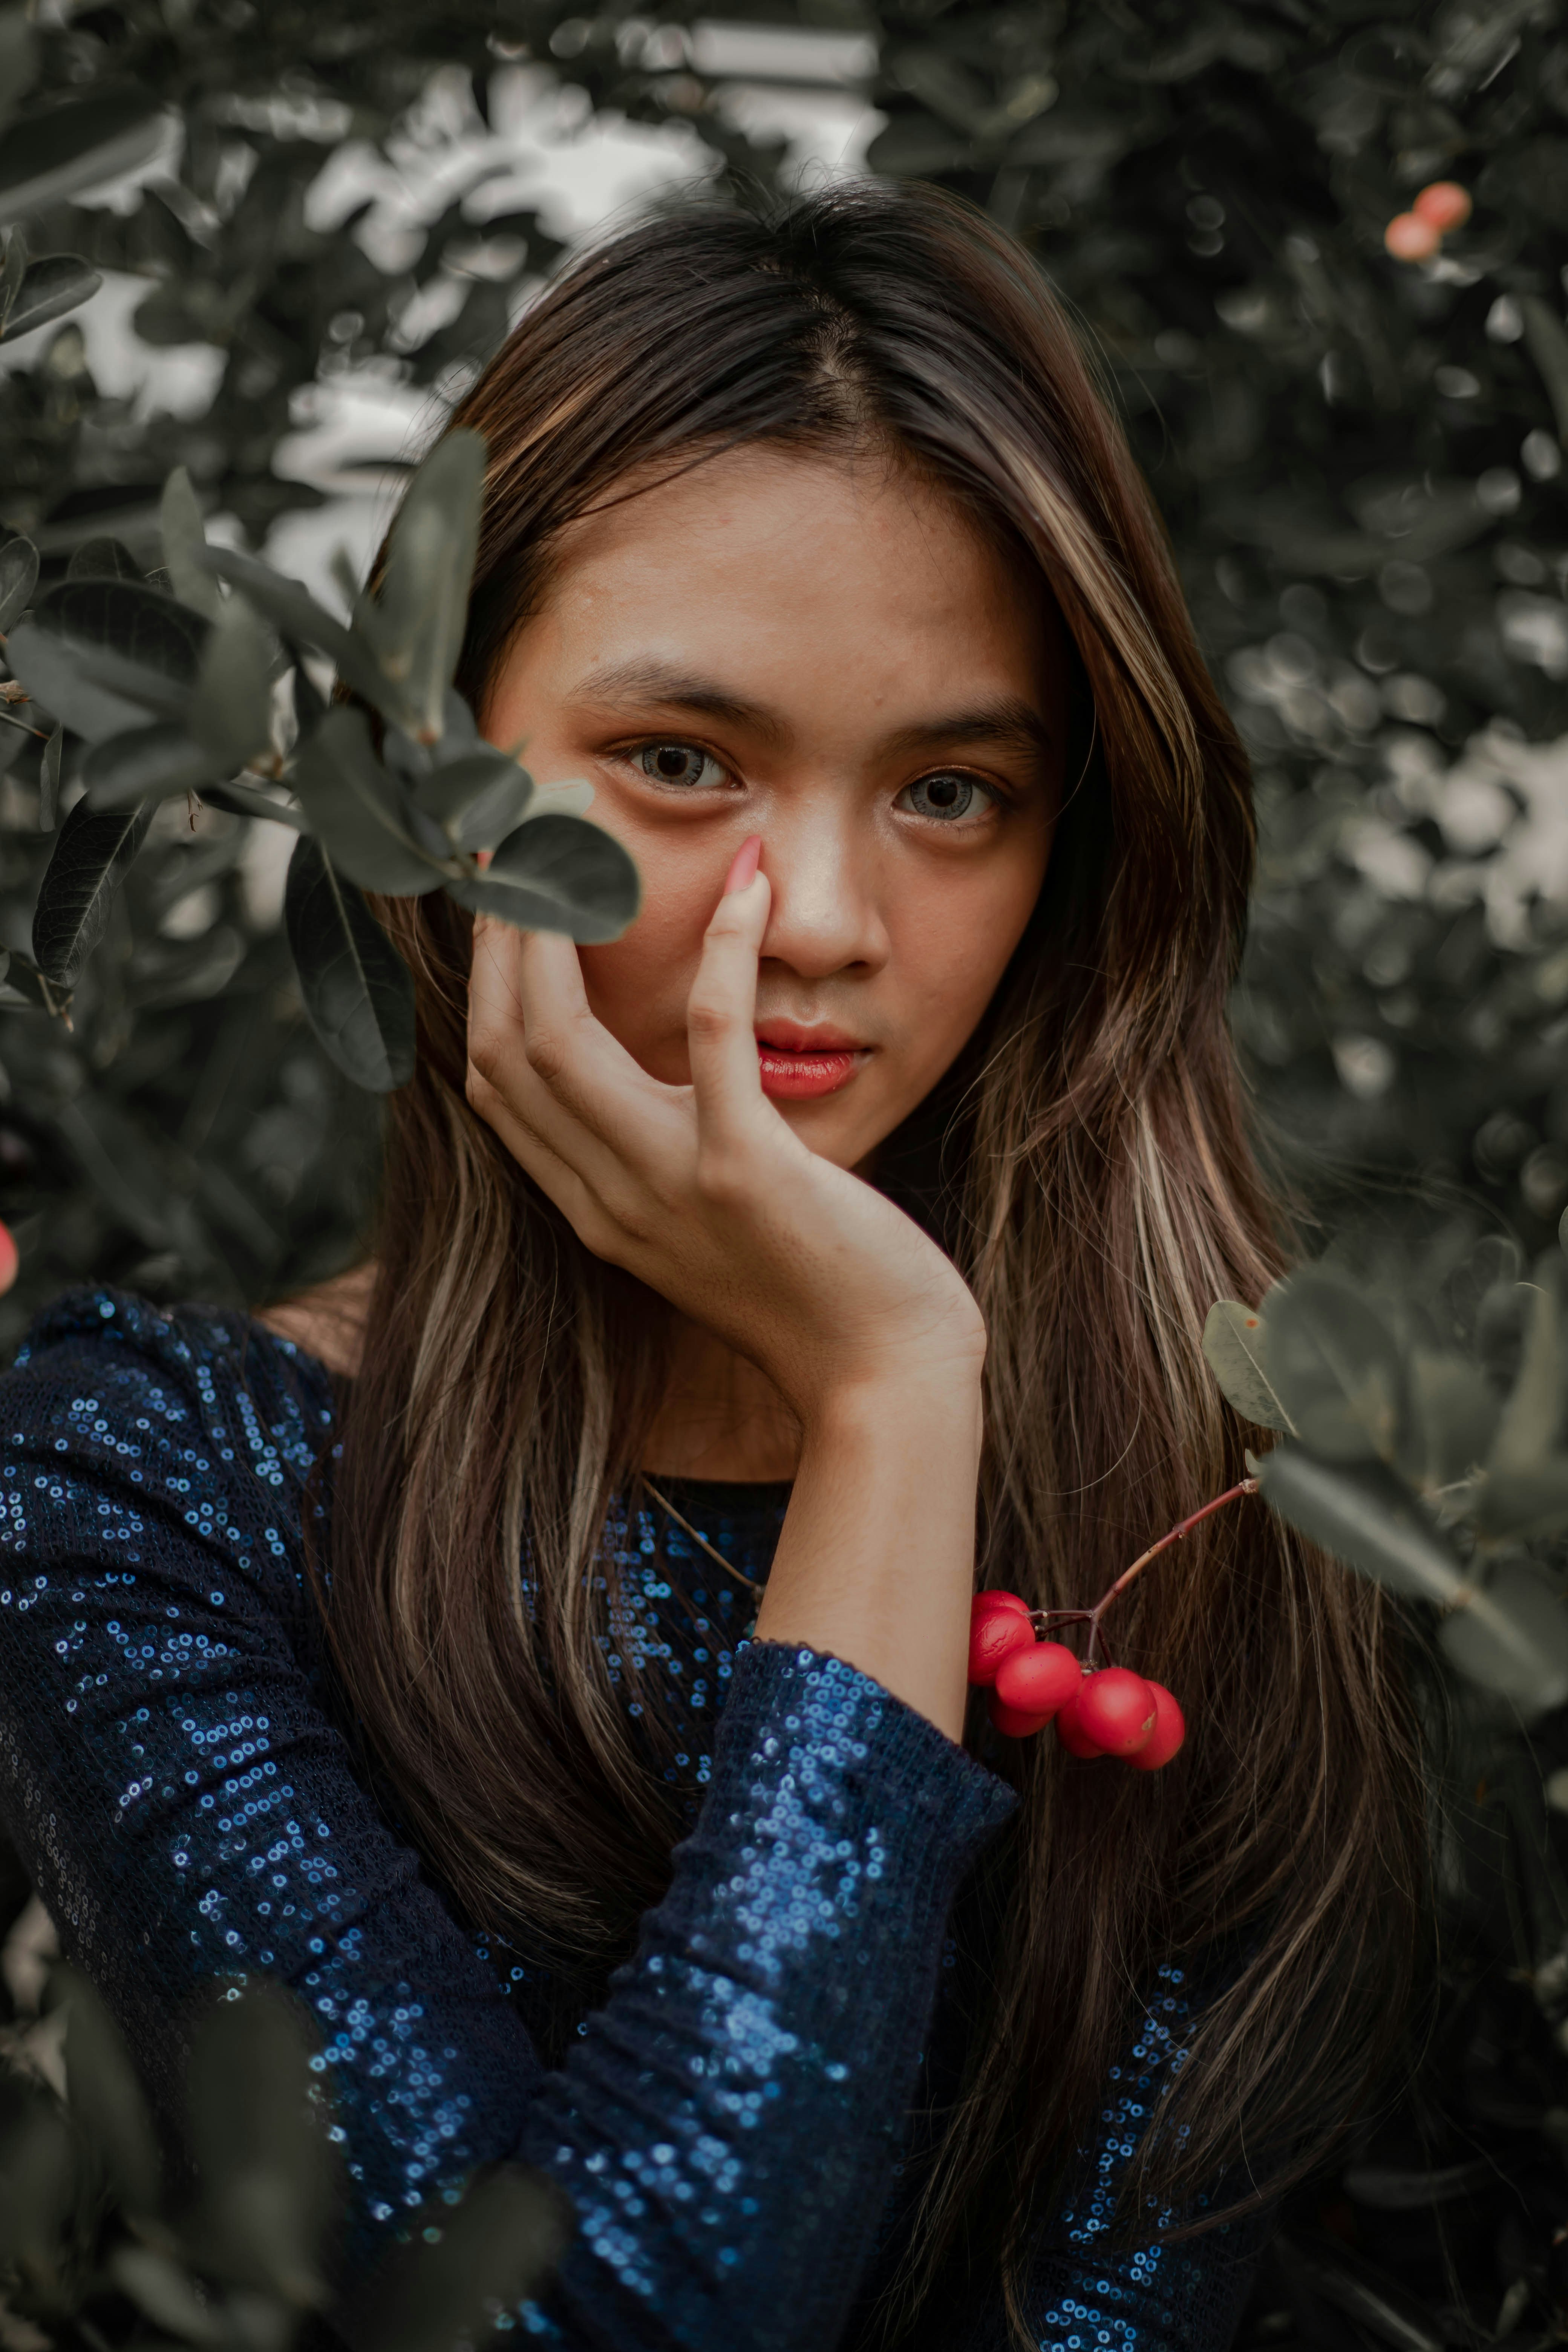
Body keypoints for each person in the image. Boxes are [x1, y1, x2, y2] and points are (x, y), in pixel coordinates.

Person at [0, 184, 1425, 2351]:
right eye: (680, 762)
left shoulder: (1227, 1527)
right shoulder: (137, 1496)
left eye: (953, 792)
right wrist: (884, 1398)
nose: (830, 917)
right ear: (429, 780)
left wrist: (903, 1395)